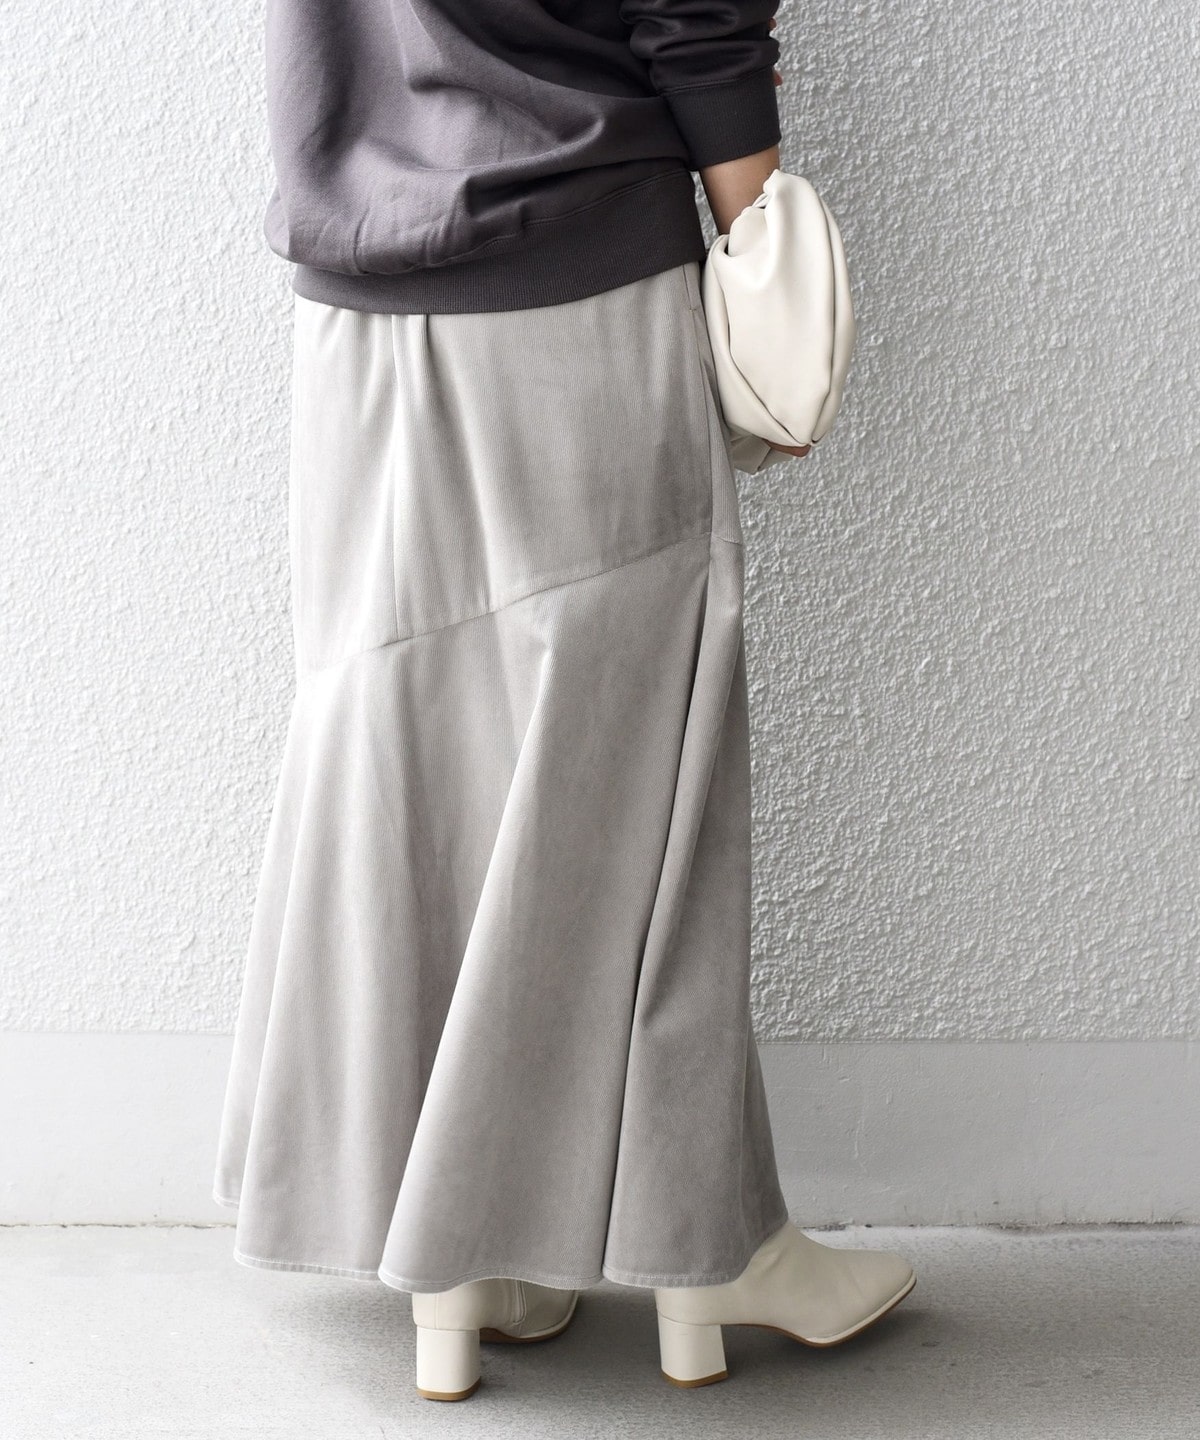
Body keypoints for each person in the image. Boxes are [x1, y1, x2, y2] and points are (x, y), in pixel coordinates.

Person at [213, 0, 916, 1401]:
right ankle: (706, 1248)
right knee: (638, 791)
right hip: (578, 269)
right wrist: (764, 246)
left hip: (356, 298)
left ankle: (465, 1264)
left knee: (412, 759)